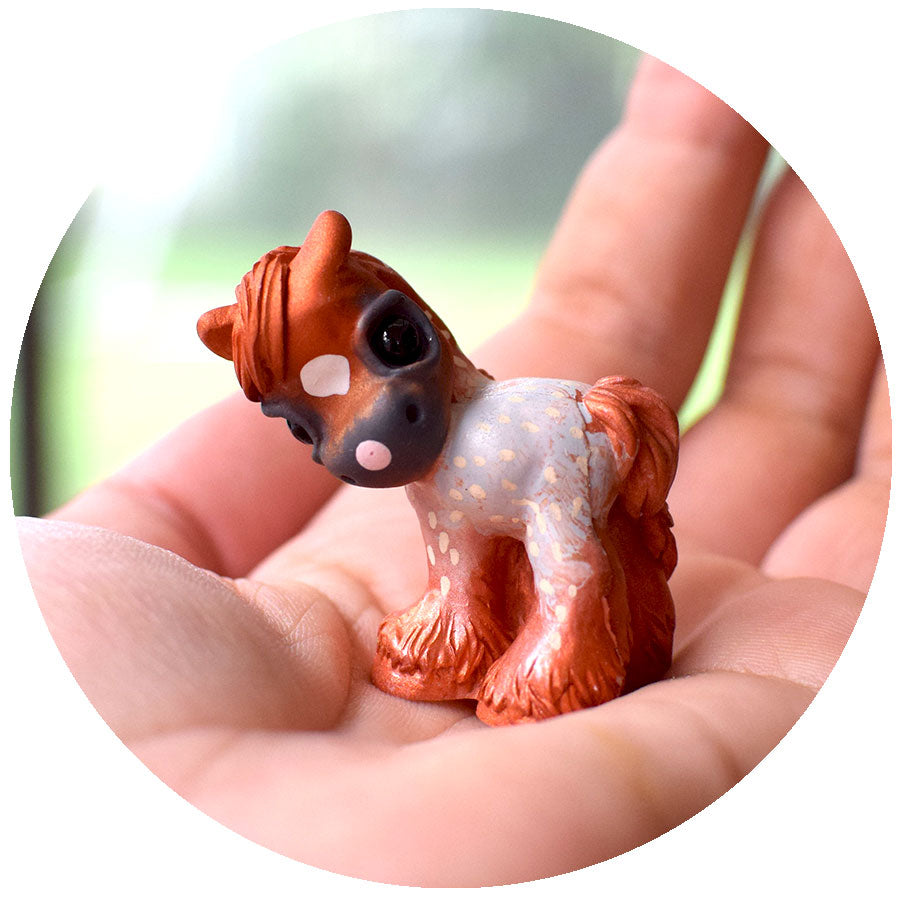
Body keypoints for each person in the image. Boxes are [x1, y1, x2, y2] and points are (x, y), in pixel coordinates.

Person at [17, 56, 886, 887]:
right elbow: (453, 539)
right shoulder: (425, 468)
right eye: (306, 422)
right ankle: (466, 631)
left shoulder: (518, 422)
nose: (348, 436)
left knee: (560, 546)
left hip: (546, 457)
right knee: (457, 553)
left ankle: (568, 642)